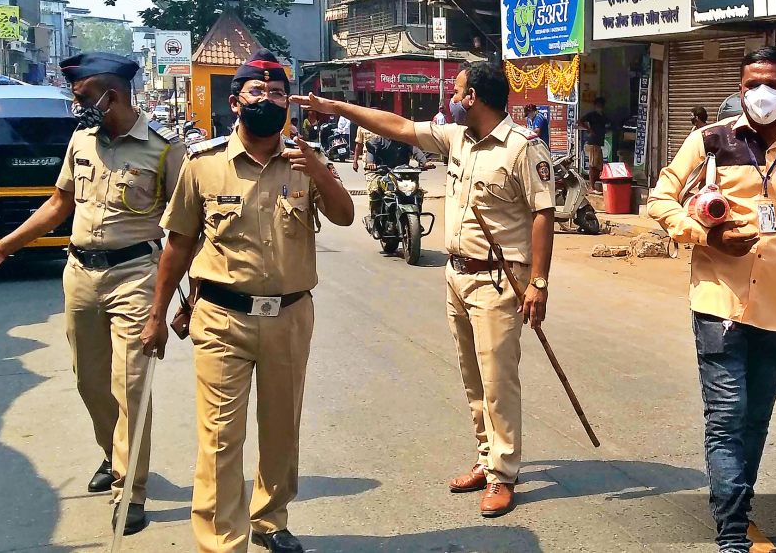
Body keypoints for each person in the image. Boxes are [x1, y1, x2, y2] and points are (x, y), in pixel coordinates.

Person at [294, 61, 555, 518]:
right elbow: (395, 125)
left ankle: (502, 475)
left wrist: (538, 282)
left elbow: (542, 214)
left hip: (498, 279)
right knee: (472, 378)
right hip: (457, 275)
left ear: (473, 97)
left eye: (456, 91)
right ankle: (484, 457)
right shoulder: (456, 137)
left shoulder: (522, 148)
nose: (451, 98)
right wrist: (335, 106)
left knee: (498, 382)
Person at [0, 52, 185, 536]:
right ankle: (113, 451)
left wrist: (180, 300)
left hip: (135, 275)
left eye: (82, 97)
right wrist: (0, 250)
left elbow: (186, 230)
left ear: (114, 95)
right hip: (80, 274)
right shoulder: (82, 140)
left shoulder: (165, 151)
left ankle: (131, 487)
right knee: (90, 381)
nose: (75, 107)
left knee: (131, 385)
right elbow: (59, 203)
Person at [142, 49, 354, 553]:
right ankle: (220, 541)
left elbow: (344, 216)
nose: (269, 100)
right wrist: (156, 316)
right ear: (235, 102)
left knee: (282, 429)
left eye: (278, 93)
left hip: (289, 317)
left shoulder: (305, 162)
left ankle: (270, 520)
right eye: (257, 93)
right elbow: (177, 246)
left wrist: (321, 171)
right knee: (219, 437)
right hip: (220, 319)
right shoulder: (203, 165)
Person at [648, 46, 776, 553]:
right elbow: (659, 199)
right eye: (751, 85)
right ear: (739, 90)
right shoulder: (710, 141)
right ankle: (733, 535)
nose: (762, 94)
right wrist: (705, 235)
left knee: (755, 421)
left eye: (773, 86)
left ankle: (738, 511)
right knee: (728, 417)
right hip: (721, 307)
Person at [364, 135, 434, 218]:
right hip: (382, 173)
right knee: (374, 190)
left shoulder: (405, 140)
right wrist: (370, 163)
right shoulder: (378, 140)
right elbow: (371, 151)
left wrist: (424, 163)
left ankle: (417, 216)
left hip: (402, 174)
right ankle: (375, 218)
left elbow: (415, 151)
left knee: (418, 193)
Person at [579, 98, 608, 189]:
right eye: (599, 105)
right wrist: (589, 129)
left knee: (599, 166)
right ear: (596, 106)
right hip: (593, 143)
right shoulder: (592, 115)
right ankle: (592, 187)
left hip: (599, 143)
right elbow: (579, 121)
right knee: (592, 165)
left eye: (601, 106)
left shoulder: (603, 116)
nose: (600, 107)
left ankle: (594, 185)